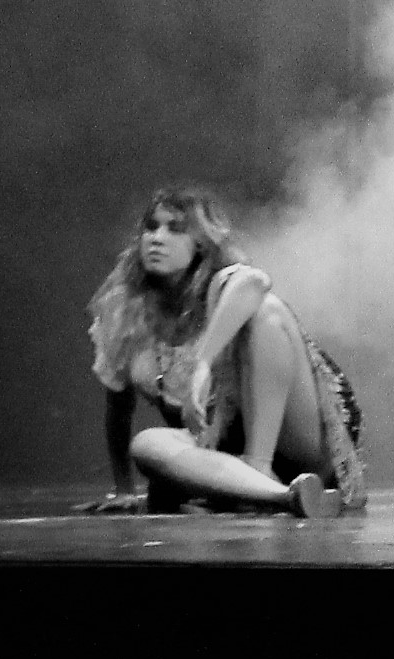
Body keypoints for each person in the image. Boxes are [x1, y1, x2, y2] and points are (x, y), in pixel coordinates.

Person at [86, 186, 367, 519]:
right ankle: (279, 496)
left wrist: (202, 363)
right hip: (226, 451)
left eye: (175, 229)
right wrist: (123, 489)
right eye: (151, 227)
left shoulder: (221, 284)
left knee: (266, 311)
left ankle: (259, 467)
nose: (156, 239)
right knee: (146, 444)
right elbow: (118, 409)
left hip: (296, 438)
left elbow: (255, 282)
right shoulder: (125, 312)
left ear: (200, 244)